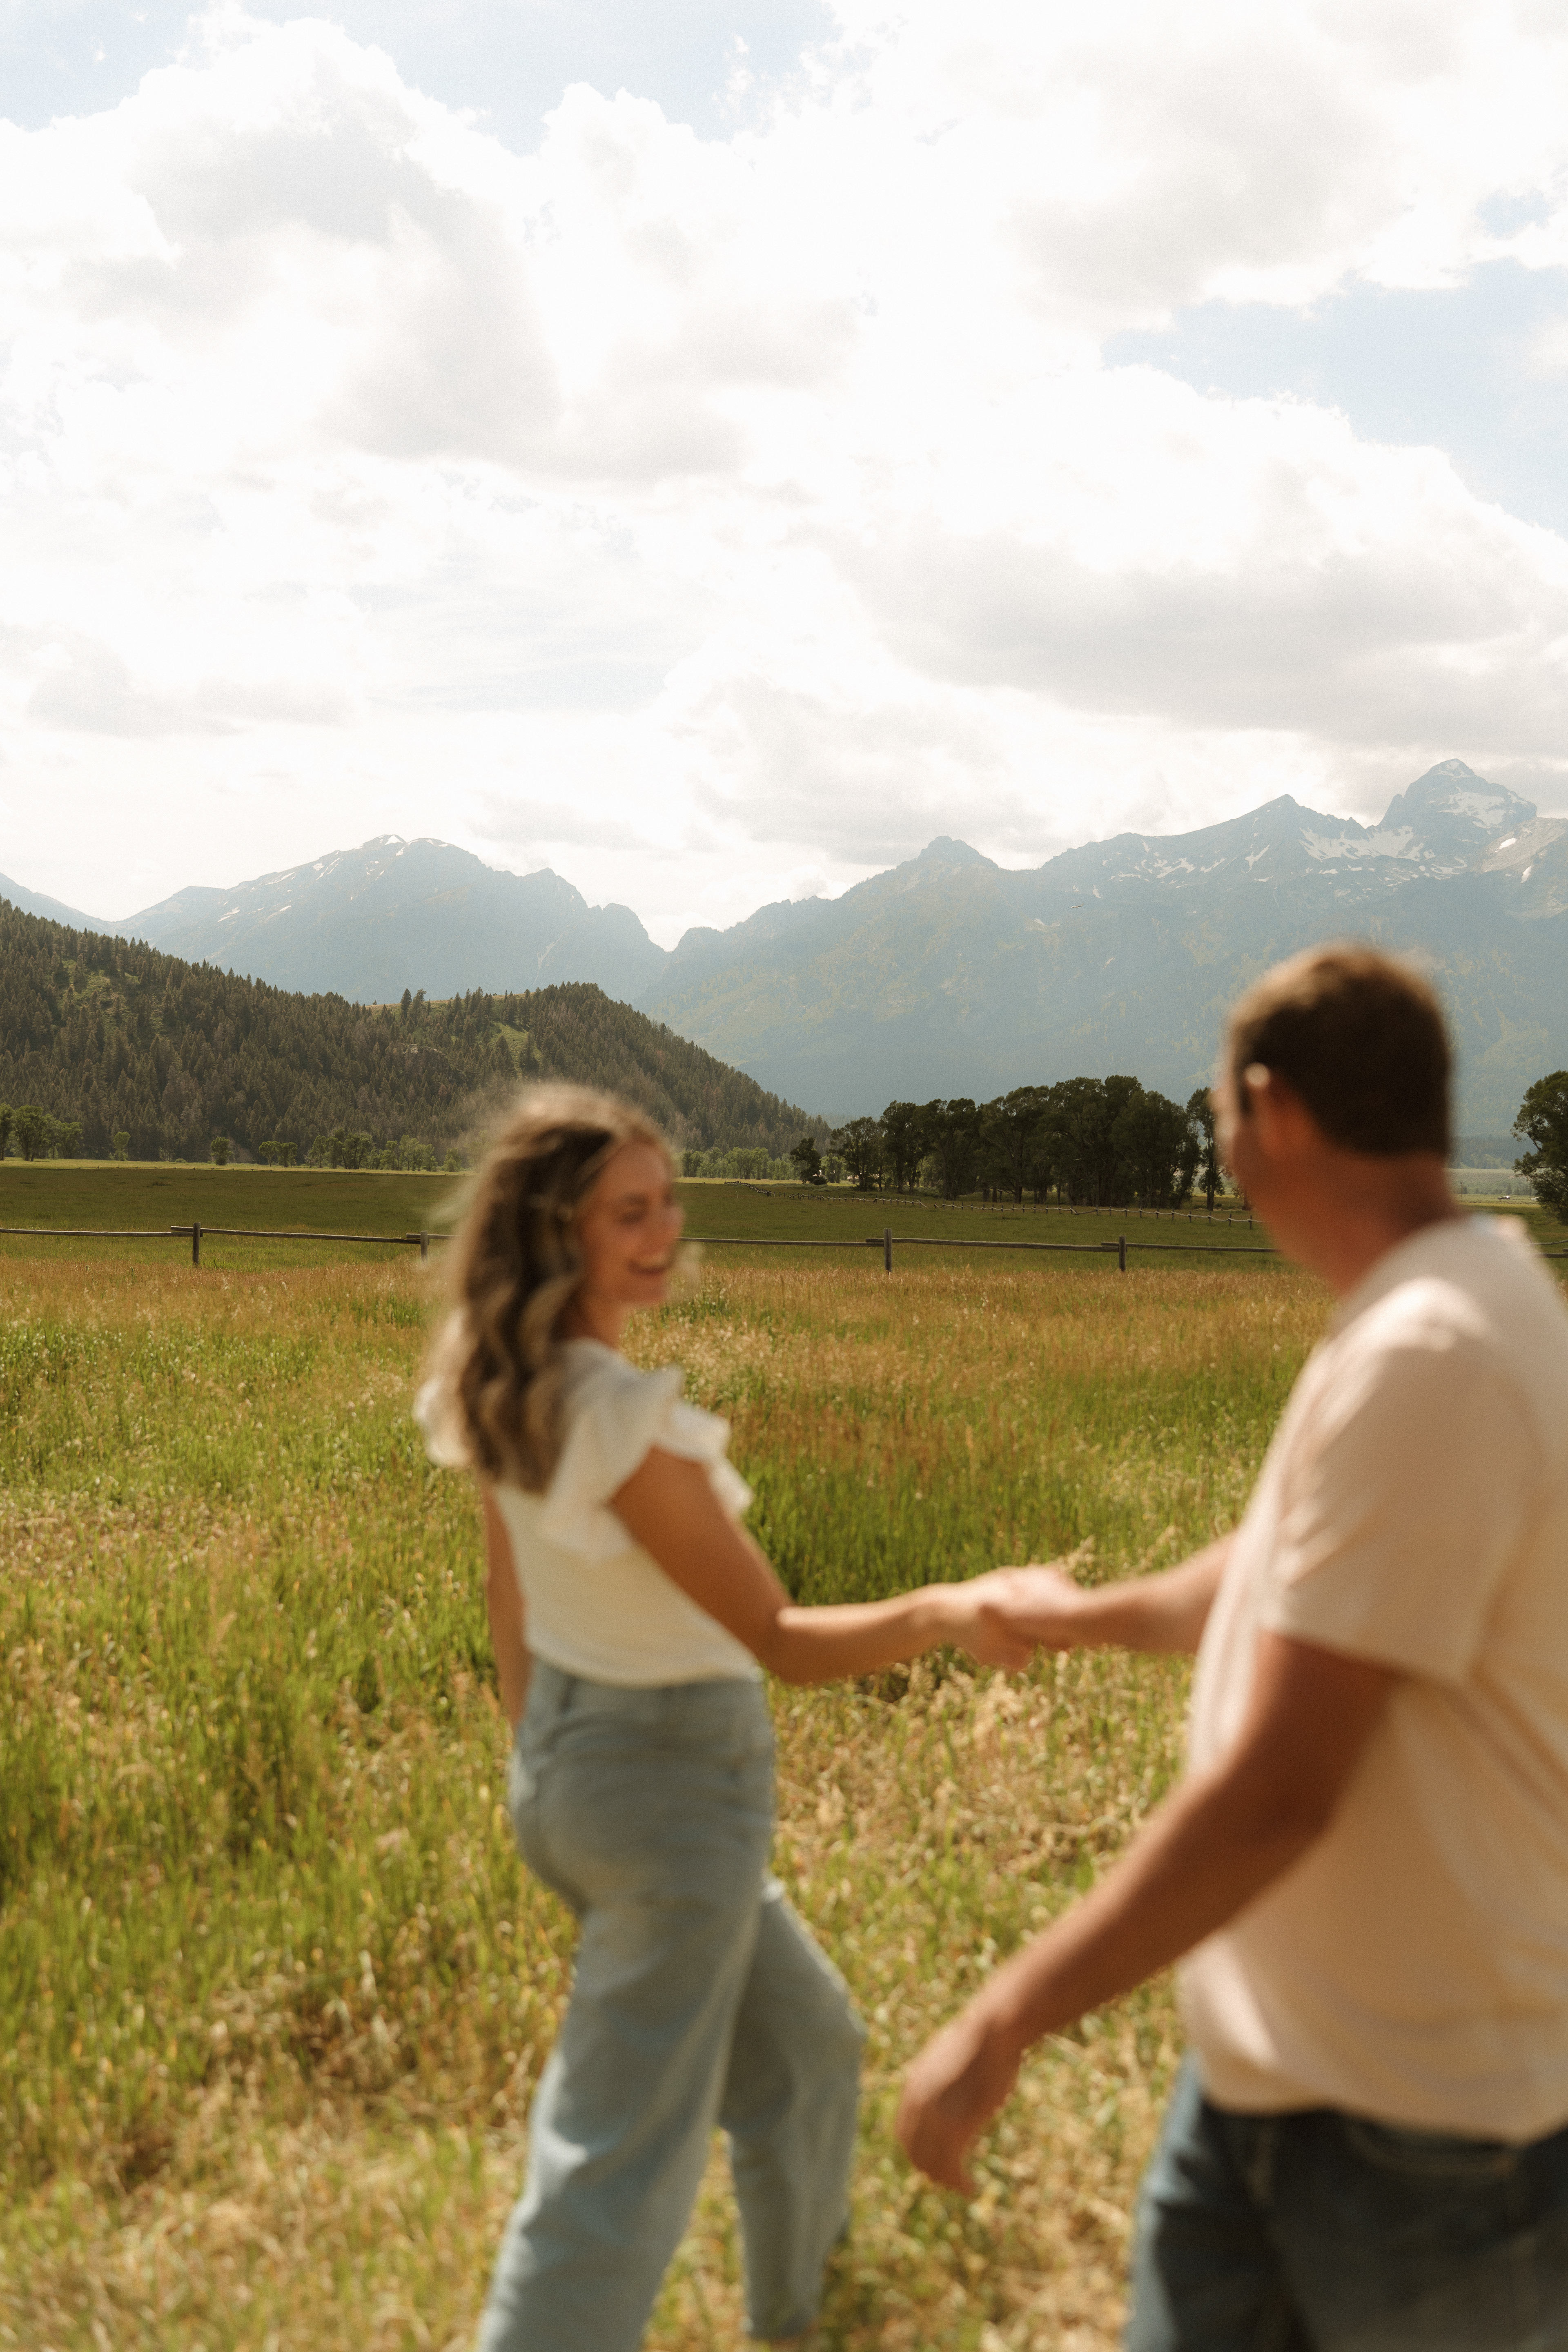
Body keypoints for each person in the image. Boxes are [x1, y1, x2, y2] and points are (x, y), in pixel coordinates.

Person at [898, 944, 1568, 2350]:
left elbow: (1282, 1791)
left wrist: (1008, 2016)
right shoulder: (1415, 1313)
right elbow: (1282, 1577)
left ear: (1273, 1109)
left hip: (1425, 2129)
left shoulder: (1431, 1353)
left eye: (1219, 1109)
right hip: (1272, 2074)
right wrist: (1080, 1616)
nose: (1217, 1138)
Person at [416, 1083, 1034, 2352]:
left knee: (807, 2048)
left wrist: (541, 1760)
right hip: (672, 1796)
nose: (665, 1232)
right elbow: (782, 1642)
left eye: (668, 1203)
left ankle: (792, 2321)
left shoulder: (508, 1388)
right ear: (556, 1231)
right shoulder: (627, 1425)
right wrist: (954, 1605)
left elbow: (508, 1586)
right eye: (629, 1212)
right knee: (612, 2164)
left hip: (582, 1771)